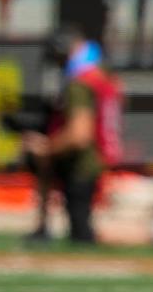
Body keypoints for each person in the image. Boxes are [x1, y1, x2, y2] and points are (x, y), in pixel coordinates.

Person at [21, 27, 122, 244]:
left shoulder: (80, 83)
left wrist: (46, 147)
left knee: (82, 233)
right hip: (101, 154)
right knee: (82, 227)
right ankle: (44, 228)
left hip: (84, 161)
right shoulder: (102, 74)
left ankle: (43, 230)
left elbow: (79, 134)